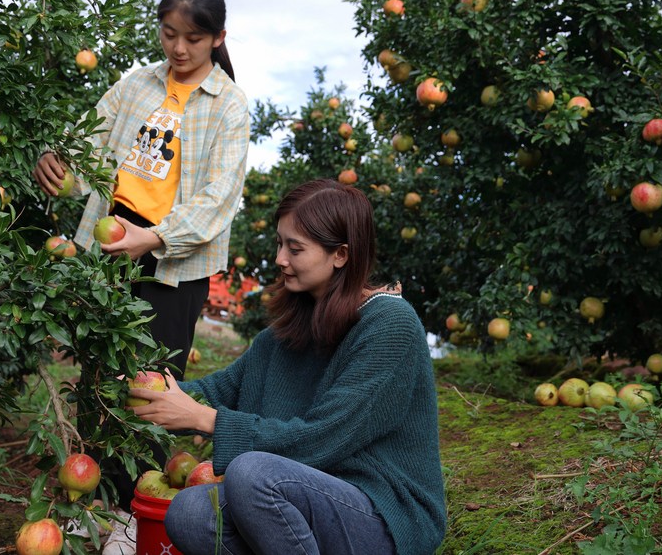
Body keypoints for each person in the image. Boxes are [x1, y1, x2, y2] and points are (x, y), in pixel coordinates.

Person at [31, 0, 249, 545]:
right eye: (170, 34)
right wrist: (56, 156)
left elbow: (217, 201)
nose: (178, 49)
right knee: (99, 378)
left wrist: (152, 238)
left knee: (152, 389)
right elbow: (89, 144)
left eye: (194, 39)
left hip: (172, 262)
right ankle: (91, 504)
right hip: (111, 247)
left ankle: (133, 514)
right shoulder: (136, 85)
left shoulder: (229, 106)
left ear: (217, 38)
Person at [129, 179, 448, 555]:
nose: (280, 259)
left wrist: (206, 420)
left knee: (252, 474)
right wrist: (140, 387)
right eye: (279, 243)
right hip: (300, 500)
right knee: (190, 512)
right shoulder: (284, 336)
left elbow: (324, 438)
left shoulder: (389, 325)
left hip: (383, 514)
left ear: (341, 254)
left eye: (295, 248)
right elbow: (217, 390)